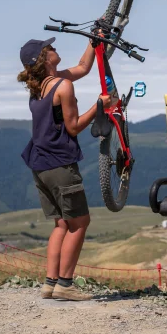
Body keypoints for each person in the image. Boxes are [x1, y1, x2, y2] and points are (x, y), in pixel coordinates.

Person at [17, 36, 111, 301]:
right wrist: (101, 105)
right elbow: (73, 127)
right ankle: (65, 284)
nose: (55, 49)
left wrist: (95, 42)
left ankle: (49, 283)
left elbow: (83, 67)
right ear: (45, 59)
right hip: (60, 163)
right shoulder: (63, 86)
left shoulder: (42, 85)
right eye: (51, 48)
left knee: (61, 224)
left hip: (39, 164)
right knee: (79, 222)